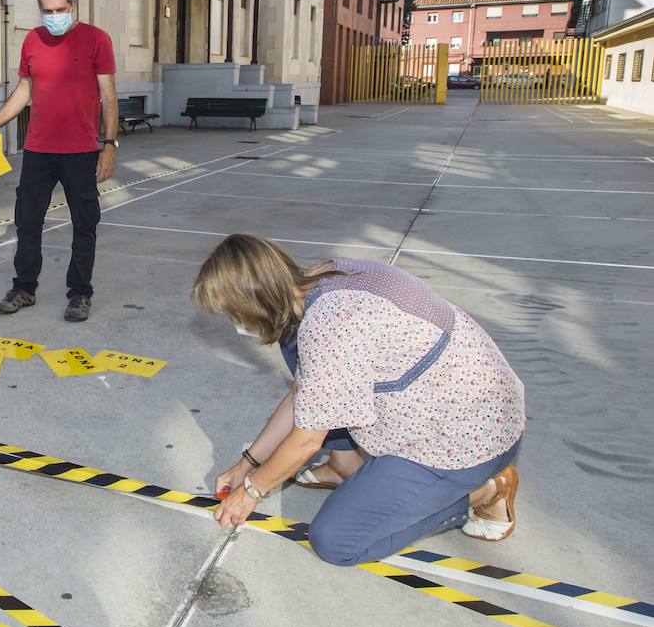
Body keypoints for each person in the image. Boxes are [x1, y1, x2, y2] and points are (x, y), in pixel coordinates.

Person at [192, 234, 525, 565]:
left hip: (462, 442)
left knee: (337, 541)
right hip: (471, 402)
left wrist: (251, 490)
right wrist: (248, 462)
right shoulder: (324, 278)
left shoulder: (329, 328)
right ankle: (344, 465)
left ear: (254, 303)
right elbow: (308, 392)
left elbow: (306, 441)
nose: (236, 324)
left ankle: (484, 492)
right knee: (292, 338)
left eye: (234, 314)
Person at [0, 0, 118, 322]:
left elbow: (109, 96)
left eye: (60, 9)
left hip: (81, 150)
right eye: (46, 10)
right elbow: (24, 90)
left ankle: (80, 294)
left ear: (73, 5)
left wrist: (109, 145)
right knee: (27, 221)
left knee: (85, 223)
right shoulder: (32, 40)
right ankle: (24, 288)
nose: (54, 16)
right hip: (38, 149)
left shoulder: (97, 40)